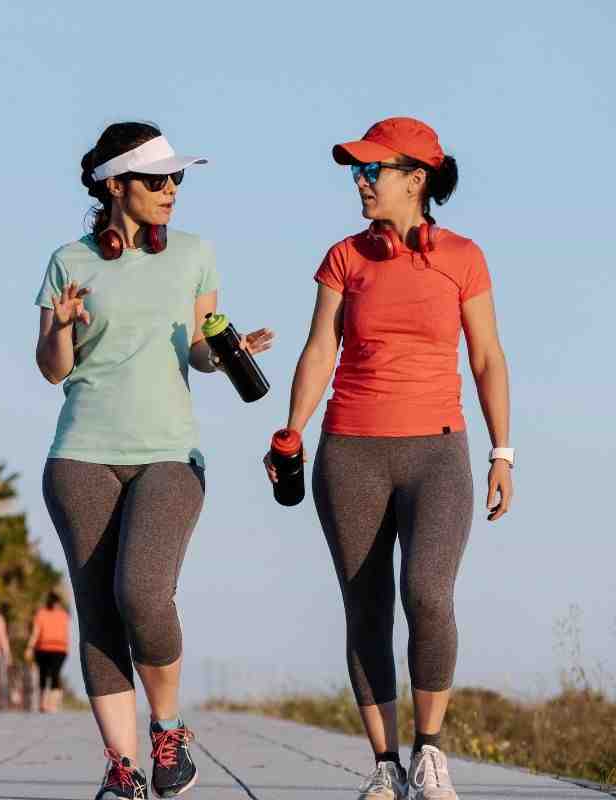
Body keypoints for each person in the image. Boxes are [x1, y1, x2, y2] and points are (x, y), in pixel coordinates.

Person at [266, 117, 513, 800]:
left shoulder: (463, 257)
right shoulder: (345, 256)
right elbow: (321, 350)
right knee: (366, 607)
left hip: (438, 452)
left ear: (417, 179)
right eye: (357, 172)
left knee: (428, 594)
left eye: (373, 171)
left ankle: (430, 752)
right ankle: (384, 763)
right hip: (350, 453)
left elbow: (487, 357)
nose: (361, 183)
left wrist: (503, 451)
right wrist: (291, 429)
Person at [36, 121, 273, 800]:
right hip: (80, 455)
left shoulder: (195, 254)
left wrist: (230, 352)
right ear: (116, 186)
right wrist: (58, 328)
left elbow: (198, 346)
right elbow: (54, 371)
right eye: (157, 179)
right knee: (99, 613)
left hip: (170, 453)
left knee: (141, 591)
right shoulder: (69, 261)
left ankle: (168, 731)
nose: (171, 190)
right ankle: (121, 767)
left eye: (178, 179)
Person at [24, 593, 71, 713]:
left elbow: (66, 633)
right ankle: (43, 704)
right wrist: (30, 647)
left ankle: (52, 704)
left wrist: (68, 648)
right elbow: (36, 632)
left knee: (54, 675)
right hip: (43, 649)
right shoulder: (42, 614)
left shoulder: (63, 615)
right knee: (43, 675)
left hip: (59, 649)